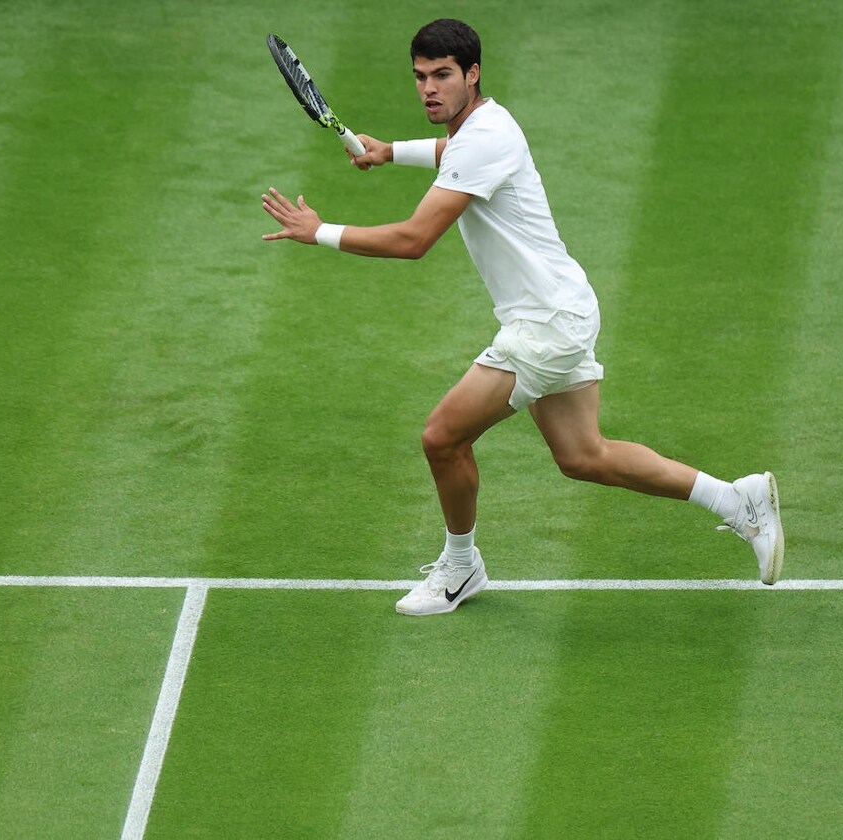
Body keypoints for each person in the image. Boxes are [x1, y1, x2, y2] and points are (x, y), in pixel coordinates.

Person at [261, 19, 784, 616]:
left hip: (544, 326)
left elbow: (412, 239)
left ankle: (460, 567)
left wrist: (318, 231)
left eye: (442, 76)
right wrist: (389, 152)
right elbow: (448, 151)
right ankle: (736, 501)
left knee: (441, 437)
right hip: (564, 308)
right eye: (420, 78)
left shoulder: (483, 140)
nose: (428, 89)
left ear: (472, 74)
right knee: (584, 455)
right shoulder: (486, 126)